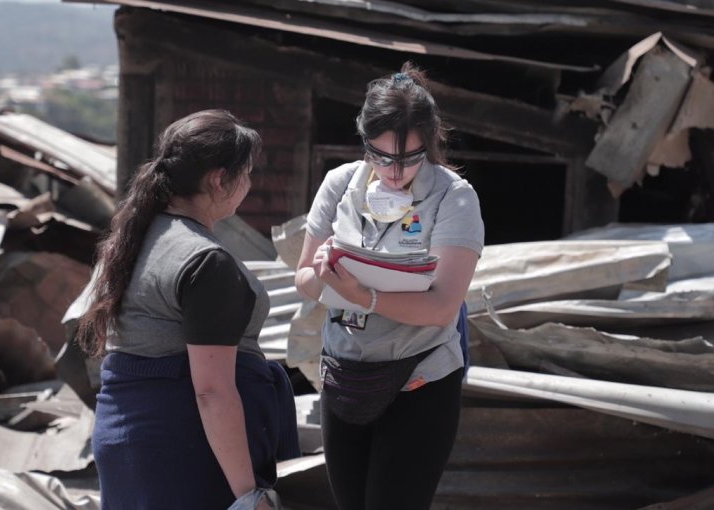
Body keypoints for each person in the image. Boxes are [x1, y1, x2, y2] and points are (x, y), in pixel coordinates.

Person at [79, 110, 299, 510]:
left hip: (130, 442)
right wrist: (249, 495)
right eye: (246, 173)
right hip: (186, 453)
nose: (249, 184)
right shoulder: (203, 260)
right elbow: (212, 391)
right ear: (219, 179)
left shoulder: (134, 239)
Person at [295, 63, 484, 510]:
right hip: (346, 373)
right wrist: (326, 277)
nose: (393, 171)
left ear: (430, 143)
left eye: (407, 158)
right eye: (379, 156)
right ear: (364, 141)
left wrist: (369, 297)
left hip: (420, 379)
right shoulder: (339, 184)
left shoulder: (454, 196)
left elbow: (442, 307)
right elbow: (303, 277)